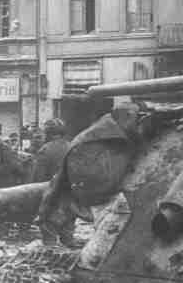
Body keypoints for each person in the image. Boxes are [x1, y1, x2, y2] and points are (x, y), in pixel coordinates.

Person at [38, 103, 142, 248]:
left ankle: (52, 244)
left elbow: (41, 175)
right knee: (68, 213)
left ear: (48, 133)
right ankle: (67, 239)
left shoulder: (48, 149)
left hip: (64, 187)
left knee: (55, 214)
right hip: (82, 190)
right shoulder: (71, 144)